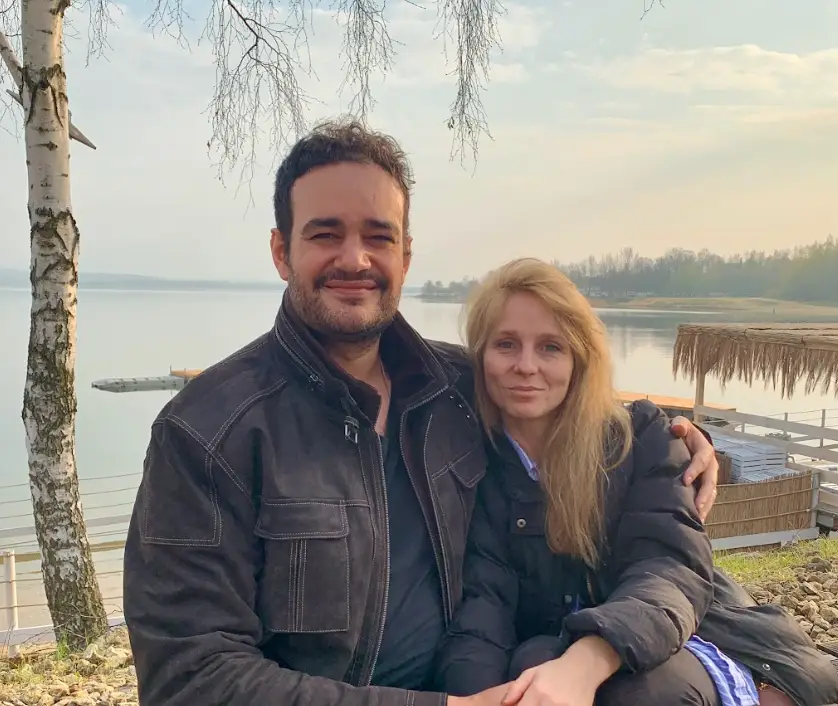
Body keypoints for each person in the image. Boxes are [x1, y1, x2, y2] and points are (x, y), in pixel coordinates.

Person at [122, 118, 721, 706]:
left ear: (406, 256)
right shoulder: (207, 432)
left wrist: (678, 438)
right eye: (325, 234)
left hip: (483, 676)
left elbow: (568, 400)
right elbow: (191, 677)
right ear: (282, 251)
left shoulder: (458, 386)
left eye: (379, 237)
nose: (354, 259)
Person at [433, 258, 838, 706]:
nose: (526, 366)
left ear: (579, 358)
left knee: (640, 694)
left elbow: (668, 566)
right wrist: (473, 697)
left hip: (678, 629)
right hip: (550, 648)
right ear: (480, 357)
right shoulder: (476, 463)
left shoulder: (640, 438)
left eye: (551, 347)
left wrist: (588, 659)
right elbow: (483, 608)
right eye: (506, 344)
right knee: (526, 675)